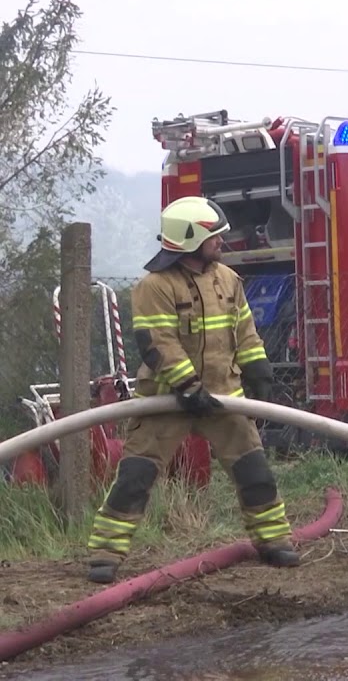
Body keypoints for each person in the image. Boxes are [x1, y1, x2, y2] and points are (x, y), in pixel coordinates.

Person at [85, 196, 299, 583]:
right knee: (135, 476)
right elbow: (157, 342)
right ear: (189, 240)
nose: (222, 241)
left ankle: (273, 541)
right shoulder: (154, 286)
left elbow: (244, 331)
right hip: (165, 400)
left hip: (223, 395)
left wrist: (257, 370)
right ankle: (105, 554)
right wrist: (186, 386)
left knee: (255, 472)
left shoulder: (228, 279)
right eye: (214, 235)